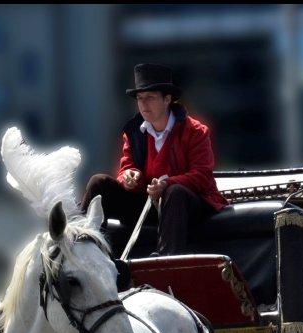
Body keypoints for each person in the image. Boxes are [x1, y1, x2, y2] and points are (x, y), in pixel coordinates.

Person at [80, 63, 227, 255]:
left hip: (187, 208)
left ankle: (167, 259)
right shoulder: (133, 133)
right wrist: (129, 177)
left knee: (174, 192)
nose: (143, 104)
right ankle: (80, 245)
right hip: (147, 206)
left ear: (167, 99)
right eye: (140, 99)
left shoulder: (196, 131)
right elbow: (126, 168)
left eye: (150, 98)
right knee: (98, 183)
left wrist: (166, 184)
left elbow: (202, 176)